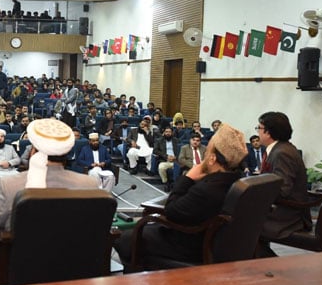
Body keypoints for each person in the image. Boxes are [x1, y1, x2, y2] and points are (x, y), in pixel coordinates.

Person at [0, 119, 99, 285]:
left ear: (33, 151)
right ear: (66, 153)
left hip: (20, 272)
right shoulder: (89, 184)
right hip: (75, 268)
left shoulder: (11, 186)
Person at [114, 123, 248, 268]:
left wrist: (188, 178)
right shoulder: (239, 181)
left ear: (212, 159)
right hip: (220, 242)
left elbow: (171, 211)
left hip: (190, 245)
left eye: (208, 150)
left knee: (128, 238)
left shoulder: (208, 189)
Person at [256, 111, 310, 257]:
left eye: (259, 128)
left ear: (268, 132)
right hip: (284, 208)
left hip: (289, 215)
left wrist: (256, 194)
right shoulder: (281, 148)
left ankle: (271, 266)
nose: (258, 132)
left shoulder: (282, 153)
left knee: (242, 224)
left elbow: (282, 190)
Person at [153, 126, 181, 191]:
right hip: (165, 160)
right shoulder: (159, 140)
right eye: (166, 132)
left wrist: (175, 157)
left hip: (175, 160)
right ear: (164, 133)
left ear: (172, 133)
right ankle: (166, 183)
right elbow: (155, 150)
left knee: (179, 168)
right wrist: (166, 156)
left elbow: (180, 150)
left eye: (169, 132)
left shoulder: (176, 140)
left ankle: (175, 184)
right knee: (161, 167)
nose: (168, 133)